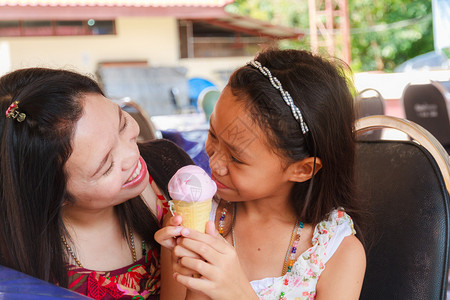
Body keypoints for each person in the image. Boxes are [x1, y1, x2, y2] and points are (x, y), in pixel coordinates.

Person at [156, 49, 367, 300]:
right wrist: (195, 280)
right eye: (212, 134)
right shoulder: (193, 225)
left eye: (236, 158)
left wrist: (237, 292)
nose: (215, 162)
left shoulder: (335, 251)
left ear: (301, 169)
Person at [0, 67, 194, 299]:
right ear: (55, 195)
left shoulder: (168, 167)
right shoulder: (24, 274)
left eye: (122, 124)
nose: (133, 156)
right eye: (106, 166)